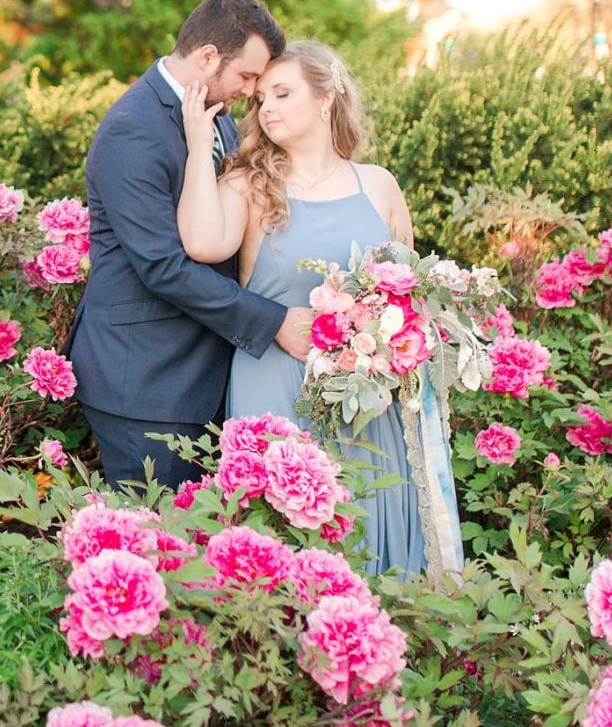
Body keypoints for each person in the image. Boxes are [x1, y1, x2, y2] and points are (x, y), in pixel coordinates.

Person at [175, 38, 460, 578]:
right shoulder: (251, 184)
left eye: (283, 93)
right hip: (280, 386)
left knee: (375, 521)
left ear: (327, 97)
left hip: (372, 403)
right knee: (290, 543)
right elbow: (201, 243)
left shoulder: (378, 185)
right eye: (261, 99)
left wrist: (381, 336)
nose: (267, 109)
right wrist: (197, 144)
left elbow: (409, 295)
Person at [68, 0, 314, 493]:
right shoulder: (132, 130)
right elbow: (162, 265)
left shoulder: (214, 114)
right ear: (206, 58)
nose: (251, 91)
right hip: (145, 382)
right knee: (157, 547)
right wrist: (275, 322)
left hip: (197, 376)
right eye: (247, 76)